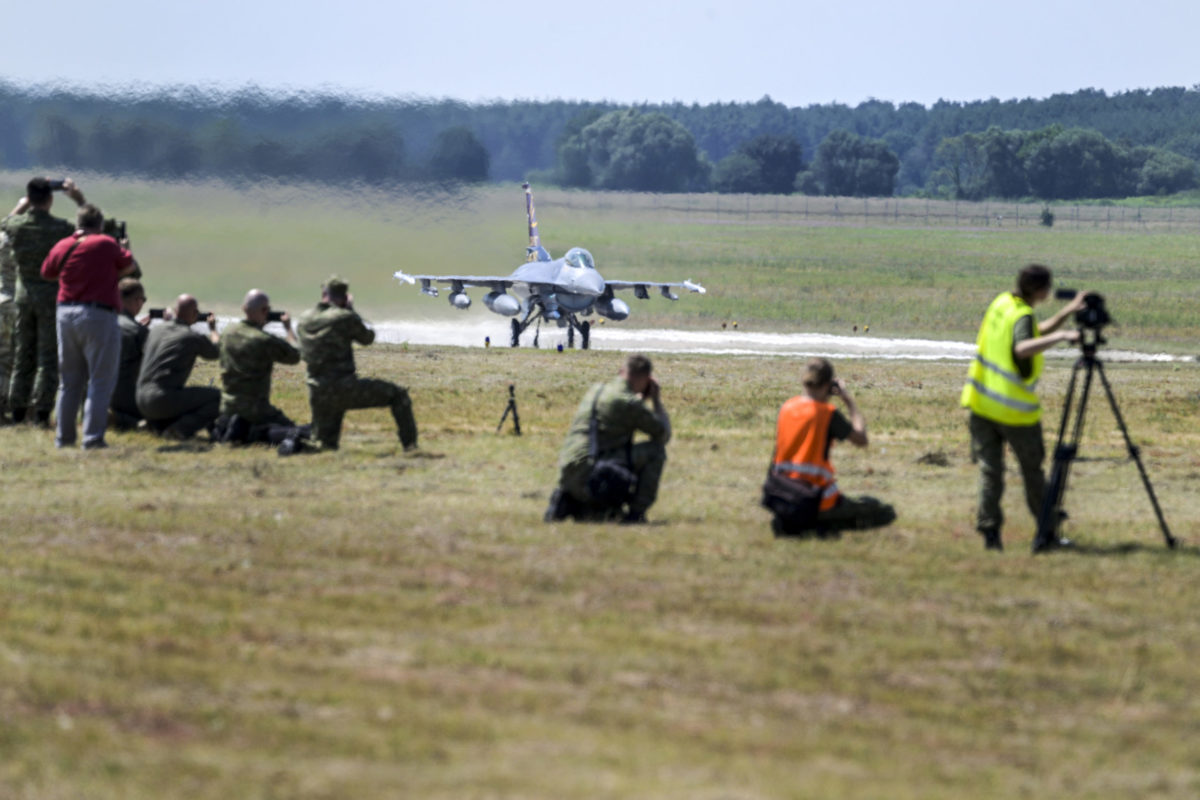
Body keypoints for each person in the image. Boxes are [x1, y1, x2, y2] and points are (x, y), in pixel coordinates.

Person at [961, 264, 1088, 551]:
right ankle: (1048, 534)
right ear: (1041, 290)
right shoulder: (1022, 314)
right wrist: (1062, 338)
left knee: (990, 471)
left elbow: (1031, 332)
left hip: (982, 405)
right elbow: (1022, 347)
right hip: (1013, 410)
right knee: (1033, 473)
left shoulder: (1003, 304)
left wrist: (1066, 313)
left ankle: (990, 534)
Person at [40, 204, 137, 449]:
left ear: (78, 223)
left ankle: (64, 438)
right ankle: (92, 438)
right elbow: (129, 268)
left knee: (69, 381)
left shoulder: (63, 244)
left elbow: (47, 272)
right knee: (100, 380)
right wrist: (125, 249)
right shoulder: (104, 243)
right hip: (97, 315)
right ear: (100, 225)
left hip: (65, 313)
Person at [766, 358, 895, 537]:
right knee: (882, 510)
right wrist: (848, 400)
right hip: (816, 498)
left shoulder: (786, 408)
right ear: (828, 384)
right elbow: (861, 439)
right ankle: (821, 527)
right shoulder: (826, 413)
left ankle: (800, 525)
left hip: (780, 495)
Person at [545, 353, 671, 524]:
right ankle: (636, 514)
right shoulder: (628, 403)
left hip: (567, 472)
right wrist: (655, 400)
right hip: (592, 474)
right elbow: (662, 434)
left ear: (621, 371)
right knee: (656, 451)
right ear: (647, 379)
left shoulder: (597, 390)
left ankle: (572, 502)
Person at [296, 275, 417, 451]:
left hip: (317, 391)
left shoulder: (305, 318)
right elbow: (367, 338)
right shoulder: (344, 317)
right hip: (343, 388)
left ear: (323, 293)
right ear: (344, 297)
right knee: (398, 395)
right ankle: (411, 446)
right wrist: (351, 310)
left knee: (325, 446)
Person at [2, 177, 87, 425]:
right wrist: (79, 199)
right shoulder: (60, 228)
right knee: (48, 357)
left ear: (30, 198)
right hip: (50, 296)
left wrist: (23, 204)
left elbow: (4, 225)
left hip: (23, 296)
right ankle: (41, 412)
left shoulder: (17, 225)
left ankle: (17, 411)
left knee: (23, 355)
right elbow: (89, 228)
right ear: (50, 199)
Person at [216, 289, 305, 445]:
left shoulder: (228, 333)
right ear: (265, 311)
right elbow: (295, 355)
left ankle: (226, 426)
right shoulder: (264, 340)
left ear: (244, 308)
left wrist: (259, 326)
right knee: (294, 431)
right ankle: (251, 434)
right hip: (255, 408)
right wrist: (289, 329)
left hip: (228, 404)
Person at [136, 294, 221, 439]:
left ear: (175, 311)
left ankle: (154, 424)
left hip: (140, 398)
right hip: (161, 399)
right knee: (218, 398)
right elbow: (216, 351)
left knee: (178, 397)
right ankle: (179, 430)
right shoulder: (190, 337)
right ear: (195, 314)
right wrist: (212, 329)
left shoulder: (156, 331)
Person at [111, 277, 150, 431]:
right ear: (137, 300)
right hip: (125, 396)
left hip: (96, 393)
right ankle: (124, 420)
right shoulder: (138, 331)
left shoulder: (102, 323)